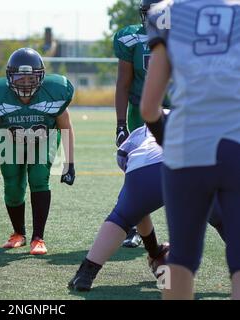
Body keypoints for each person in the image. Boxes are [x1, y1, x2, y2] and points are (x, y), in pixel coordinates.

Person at [141, 0, 240, 299]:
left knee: (181, 257)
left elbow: (148, 107)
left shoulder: (165, 13)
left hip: (186, 149)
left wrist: (166, 141)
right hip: (236, 145)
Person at [69, 122, 225, 292]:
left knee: (122, 217)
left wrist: (154, 251)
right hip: (195, 167)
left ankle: (86, 273)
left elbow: (139, 210)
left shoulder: (137, 137)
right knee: (224, 222)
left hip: (147, 167)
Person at [0, 48, 75, 255]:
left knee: (39, 178)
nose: (26, 82)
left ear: (41, 76)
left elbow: (65, 127)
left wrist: (69, 163)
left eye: (31, 77)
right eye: (20, 77)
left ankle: (38, 237)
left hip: (43, 139)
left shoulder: (54, 92)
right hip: (10, 141)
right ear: (10, 77)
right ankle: (18, 233)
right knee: (12, 185)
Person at [113, 0, 166, 248]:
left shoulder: (187, 37)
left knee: (190, 171)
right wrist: (121, 123)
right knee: (135, 171)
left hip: (178, 112)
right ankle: (133, 226)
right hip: (140, 112)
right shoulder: (131, 38)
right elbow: (124, 82)